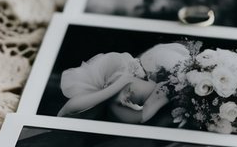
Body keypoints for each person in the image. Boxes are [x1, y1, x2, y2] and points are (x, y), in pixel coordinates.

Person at [57, 42, 190, 123]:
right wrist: (120, 83)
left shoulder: (152, 90)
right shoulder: (119, 67)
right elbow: (70, 108)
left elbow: (141, 115)